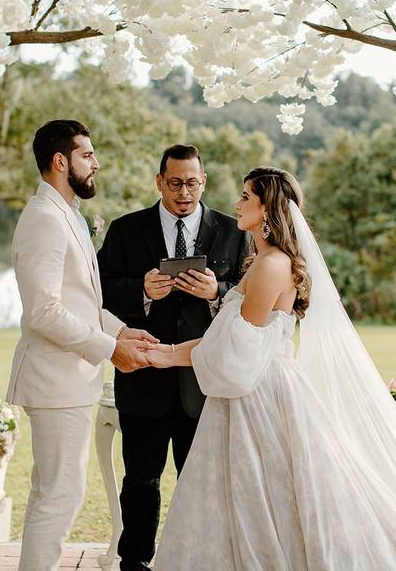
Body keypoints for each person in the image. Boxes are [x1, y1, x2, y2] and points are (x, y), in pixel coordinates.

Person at [145, 167, 396, 570]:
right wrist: (165, 353)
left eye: (246, 196)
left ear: (267, 208)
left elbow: (236, 356)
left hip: (258, 399)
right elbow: (227, 346)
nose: (237, 203)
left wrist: (168, 355)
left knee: (265, 500)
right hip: (255, 391)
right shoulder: (265, 261)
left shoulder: (271, 266)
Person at [5, 119, 157, 571]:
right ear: (60, 161)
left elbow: (81, 300)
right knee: (60, 495)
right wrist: (110, 349)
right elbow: (44, 311)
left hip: (70, 379)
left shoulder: (67, 213)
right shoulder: (44, 219)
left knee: (55, 492)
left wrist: (119, 330)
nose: (96, 164)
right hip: (55, 381)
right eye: (87, 155)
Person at [97, 144, 249, 571]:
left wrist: (215, 292)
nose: (185, 192)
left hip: (202, 380)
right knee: (141, 480)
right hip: (143, 374)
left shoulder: (232, 230)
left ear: (204, 181)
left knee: (200, 483)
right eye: (176, 183)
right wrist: (142, 291)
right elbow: (98, 292)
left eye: (193, 182)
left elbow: (250, 291)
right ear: (160, 181)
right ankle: (135, 561)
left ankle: (198, 560)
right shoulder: (127, 230)